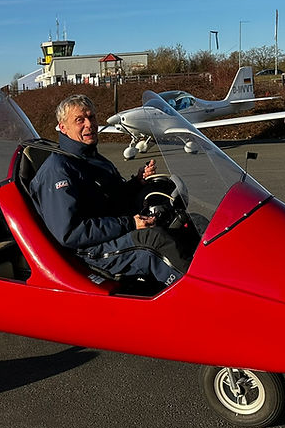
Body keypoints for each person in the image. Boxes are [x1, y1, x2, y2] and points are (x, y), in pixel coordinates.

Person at [30, 94, 191, 286]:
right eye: (80, 120)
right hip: (91, 251)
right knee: (155, 241)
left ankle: (217, 275)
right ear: (63, 127)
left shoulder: (93, 159)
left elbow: (112, 199)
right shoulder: (58, 170)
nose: (89, 124)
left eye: (91, 117)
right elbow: (70, 233)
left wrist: (137, 182)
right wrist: (129, 224)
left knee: (181, 220)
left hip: (113, 231)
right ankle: (199, 294)